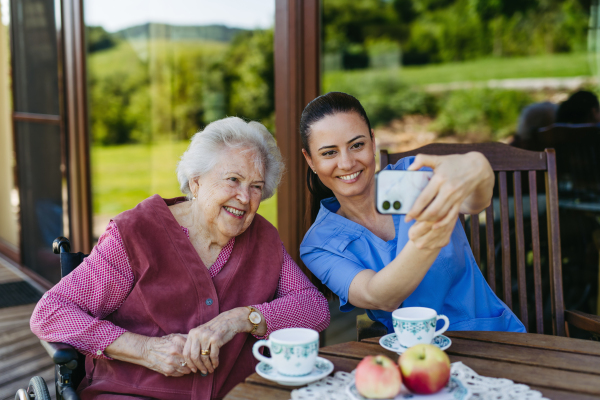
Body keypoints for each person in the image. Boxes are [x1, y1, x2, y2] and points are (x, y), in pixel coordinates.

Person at [31, 117, 330, 400]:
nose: (245, 197)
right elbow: (51, 312)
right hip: (134, 393)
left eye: (255, 186)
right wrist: (146, 349)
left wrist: (243, 318)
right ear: (196, 182)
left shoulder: (264, 238)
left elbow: (315, 309)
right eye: (233, 179)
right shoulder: (135, 234)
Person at [299, 92, 525, 334]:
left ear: (373, 142)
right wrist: (426, 243)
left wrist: (476, 166)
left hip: (490, 339)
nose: (346, 163)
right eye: (329, 153)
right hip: (411, 354)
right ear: (310, 160)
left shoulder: (414, 176)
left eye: (357, 145)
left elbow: (475, 201)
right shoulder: (318, 244)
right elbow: (379, 297)